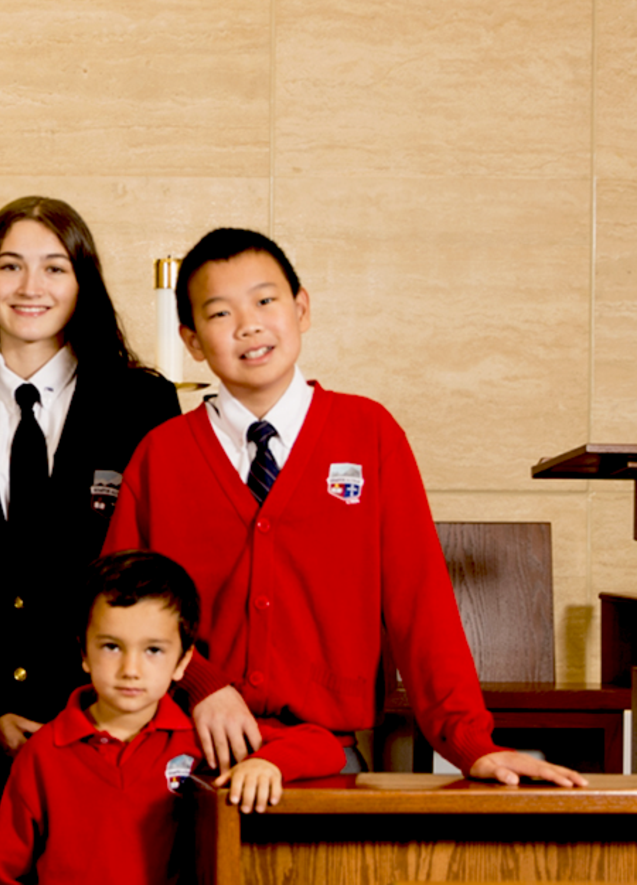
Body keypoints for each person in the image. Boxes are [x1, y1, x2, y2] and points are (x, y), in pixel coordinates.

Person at [102, 227, 586, 786]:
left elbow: (419, 602)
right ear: (191, 339)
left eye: (265, 300)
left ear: (301, 308)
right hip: (182, 754)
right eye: (219, 313)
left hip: (325, 762)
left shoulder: (369, 434)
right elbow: (119, 609)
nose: (249, 324)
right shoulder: (161, 454)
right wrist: (204, 687)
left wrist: (470, 742)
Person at [0, 196, 181, 879]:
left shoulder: (141, 405)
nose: (30, 287)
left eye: (54, 268)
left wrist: (84, 708)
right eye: (9, 265)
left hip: (102, 733)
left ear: (83, 285)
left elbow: (149, 573)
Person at [0, 550, 341, 885]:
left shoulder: (200, 740)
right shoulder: (41, 754)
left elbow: (325, 747)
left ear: (183, 662)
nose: (130, 669)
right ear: (84, 653)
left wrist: (265, 764)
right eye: (111, 647)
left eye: (153, 650)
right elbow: (1, 875)